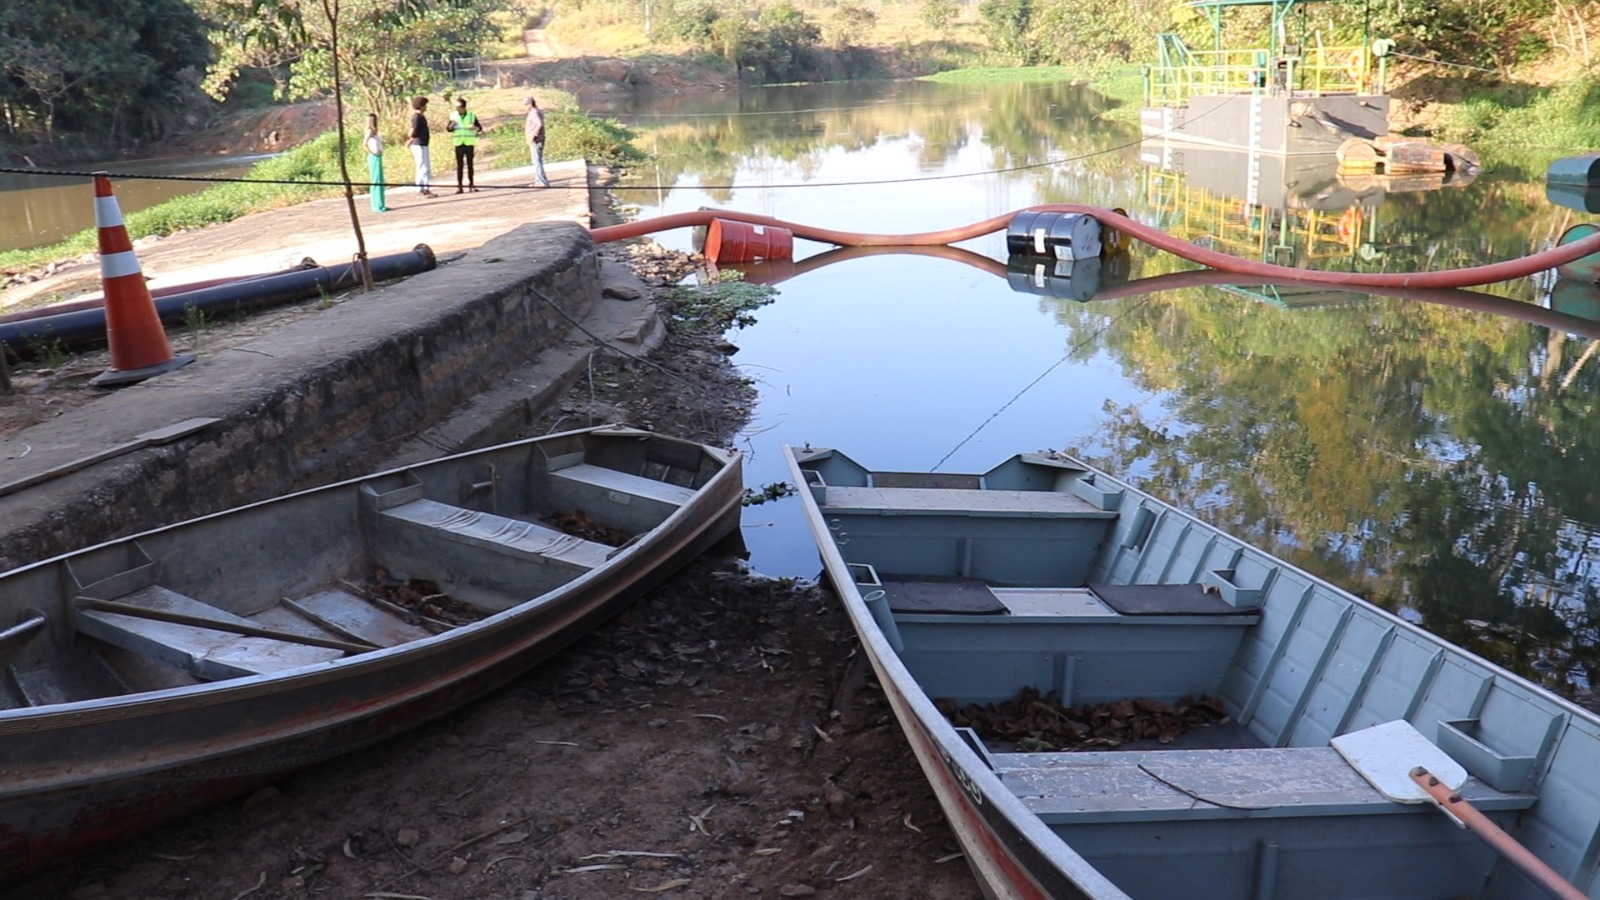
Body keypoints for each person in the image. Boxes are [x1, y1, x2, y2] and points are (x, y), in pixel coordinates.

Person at [447, 97, 484, 194]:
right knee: (459, 166)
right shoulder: (453, 115)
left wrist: (474, 127)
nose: (457, 109)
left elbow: (479, 128)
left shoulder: (471, 115)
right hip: (458, 143)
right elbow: (448, 129)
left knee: (470, 165)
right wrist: (452, 125)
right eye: (456, 107)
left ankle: (471, 184)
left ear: (464, 107)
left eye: (459, 107)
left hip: (469, 143)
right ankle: (460, 186)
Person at [406, 96, 435, 198]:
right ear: (421, 106)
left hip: (423, 144)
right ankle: (421, 189)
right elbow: (412, 130)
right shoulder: (416, 117)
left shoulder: (421, 116)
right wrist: (411, 139)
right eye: (425, 105)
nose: (426, 107)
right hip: (418, 144)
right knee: (422, 167)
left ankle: (425, 188)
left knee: (425, 167)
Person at [364, 113, 389, 212]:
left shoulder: (375, 131)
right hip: (374, 156)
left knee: (380, 180)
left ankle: (380, 203)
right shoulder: (369, 131)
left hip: (378, 156)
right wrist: (373, 152)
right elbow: (364, 144)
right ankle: (376, 205)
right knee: (376, 180)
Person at [524, 96, 551, 188]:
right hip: (538, 139)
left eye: (526, 105)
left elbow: (539, 124)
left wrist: (533, 135)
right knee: (536, 160)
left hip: (536, 140)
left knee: (537, 161)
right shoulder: (536, 111)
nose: (525, 107)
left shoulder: (534, 113)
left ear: (530, 104)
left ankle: (542, 182)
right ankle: (538, 181)